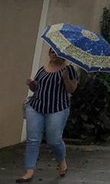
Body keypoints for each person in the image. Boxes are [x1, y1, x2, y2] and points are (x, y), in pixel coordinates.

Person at [18, 46, 79, 182]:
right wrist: (32, 84)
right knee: (33, 140)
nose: (53, 54)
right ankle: (29, 170)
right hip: (36, 107)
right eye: (51, 52)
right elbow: (36, 88)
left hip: (57, 109)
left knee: (54, 140)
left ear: (62, 55)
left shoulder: (68, 70)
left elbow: (72, 89)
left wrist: (66, 79)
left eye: (56, 52)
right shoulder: (43, 68)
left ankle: (62, 161)